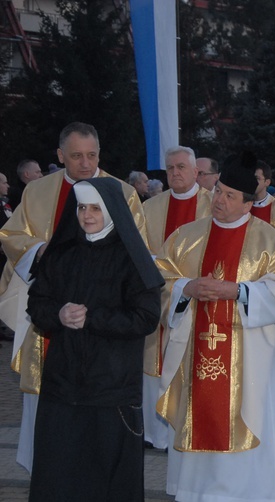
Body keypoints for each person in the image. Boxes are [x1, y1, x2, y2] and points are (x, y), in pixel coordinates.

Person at [155, 154, 275, 501]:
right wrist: (185, 288)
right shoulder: (187, 237)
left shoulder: (269, 241)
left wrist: (241, 291)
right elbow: (159, 277)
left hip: (250, 360)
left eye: (230, 195)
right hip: (194, 352)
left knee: (248, 419)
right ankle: (195, 492)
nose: (219, 200)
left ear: (249, 203)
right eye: (218, 191)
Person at [0, 121, 146, 473]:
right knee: (46, 401)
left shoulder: (121, 193)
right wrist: (40, 251)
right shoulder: (37, 191)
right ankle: (48, 471)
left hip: (102, 316)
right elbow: (12, 234)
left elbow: (138, 253)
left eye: (92, 155)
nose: (85, 163)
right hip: (50, 310)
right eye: (76, 156)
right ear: (60, 154)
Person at [26, 177, 164, 501]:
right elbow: (37, 304)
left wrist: (93, 318)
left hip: (111, 389)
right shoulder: (62, 254)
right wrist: (59, 314)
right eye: (82, 207)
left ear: (112, 211)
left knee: (107, 480)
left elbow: (145, 318)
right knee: (59, 474)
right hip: (62, 385)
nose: (87, 216)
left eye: (95, 209)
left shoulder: (132, 258)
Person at [141, 146, 212, 450]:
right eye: (170, 168)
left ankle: (188, 429)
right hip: (158, 296)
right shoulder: (150, 207)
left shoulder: (213, 205)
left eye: (182, 167)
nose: (175, 173)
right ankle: (153, 434)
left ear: (197, 172)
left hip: (197, 298)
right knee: (153, 359)